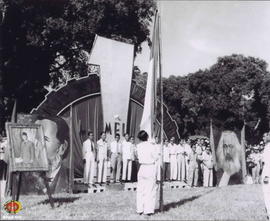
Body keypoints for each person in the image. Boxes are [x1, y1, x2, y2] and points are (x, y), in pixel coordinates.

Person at [34, 115, 70, 193]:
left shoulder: (68, 178)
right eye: (36, 139)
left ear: (62, 148)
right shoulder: (27, 179)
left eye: (44, 140)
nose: (37, 146)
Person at [136, 130, 158, 216]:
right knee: (150, 189)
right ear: (147, 137)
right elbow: (156, 157)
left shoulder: (138, 146)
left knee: (140, 190)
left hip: (142, 168)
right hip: (149, 167)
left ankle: (140, 209)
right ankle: (148, 210)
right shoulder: (151, 146)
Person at [262, 132, 270, 219]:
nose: (263, 138)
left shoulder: (268, 147)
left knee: (267, 194)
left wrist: (267, 176)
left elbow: (268, 162)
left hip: (268, 173)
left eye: (265, 136)